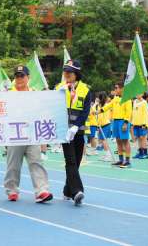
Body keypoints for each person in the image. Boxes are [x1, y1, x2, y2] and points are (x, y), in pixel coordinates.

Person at [4, 66, 53, 203]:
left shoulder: (35, 93)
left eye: (22, 76)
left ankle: (41, 190)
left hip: (32, 133)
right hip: (15, 134)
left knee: (36, 162)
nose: (19, 79)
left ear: (28, 78)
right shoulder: (8, 93)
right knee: (13, 165)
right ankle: (12, 190)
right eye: (17, 76)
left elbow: (43, 111)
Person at [55, 60, 91, 206]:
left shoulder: (85, 90)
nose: (66, 74)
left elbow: (85, 111)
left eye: (69, 72)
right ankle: (77, 192)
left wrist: (75, 126)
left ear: (76, 74)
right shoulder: (59, 88)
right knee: (70, 161)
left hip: (79, 132)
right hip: (65, 132)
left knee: (76, 163)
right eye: (65, 72)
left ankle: (66, 190)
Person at [100, 82, 132, 168]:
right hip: (115, 121)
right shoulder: (115, 98)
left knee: (125, 141)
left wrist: (125, 123)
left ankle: (128, 161)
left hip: (123, 121)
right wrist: (100, 110)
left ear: (122, 89)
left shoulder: (127, 98)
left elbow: (129, 112)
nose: (115, 90)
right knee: (118, 141)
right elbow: (109, 106)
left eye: (116, 88)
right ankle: (121, 160)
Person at [131, 94, 148, 159]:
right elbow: (133, 112)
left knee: (143, 138)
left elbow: (145, 113)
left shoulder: (144, 102)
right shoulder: (135, 101)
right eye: (136, 93)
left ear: (142, 94)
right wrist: (133, 122)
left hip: (142, 124)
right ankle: (140, 152)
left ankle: (145, 153)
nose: (137, 94)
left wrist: (144, 124)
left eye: (139, 93)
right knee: (138, 138)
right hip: (136, 123)